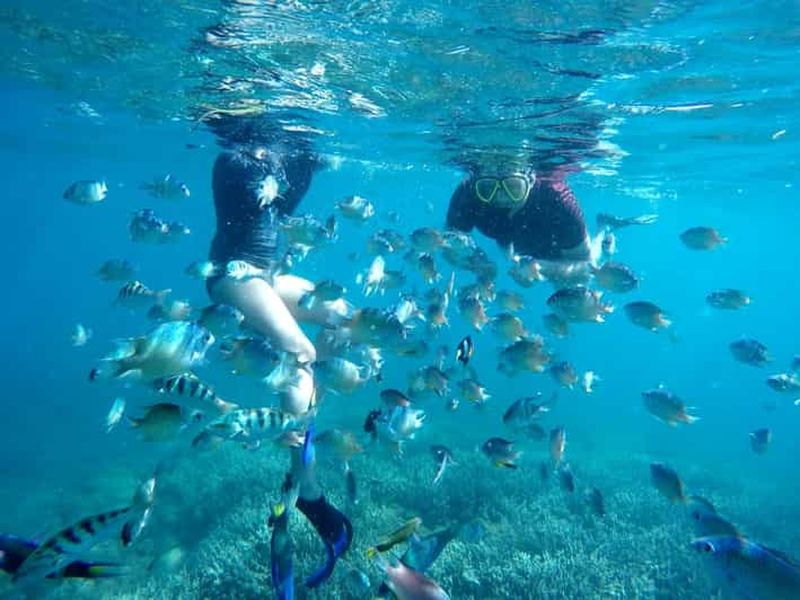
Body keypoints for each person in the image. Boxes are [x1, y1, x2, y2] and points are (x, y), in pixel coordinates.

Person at [204, 116, 352, 588]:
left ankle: (308, 413)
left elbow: (284, 206)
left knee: (340, 313)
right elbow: (256, 195)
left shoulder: (294, 155)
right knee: (300, 353)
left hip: (265, 276)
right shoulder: (236, 158)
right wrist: (285, 158)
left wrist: (305, 158)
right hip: (235, 275)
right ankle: (305, 488)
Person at [445, 164, 592, 263]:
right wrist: (475, 265)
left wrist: (540, 270)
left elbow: (584, 262)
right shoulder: (468, 193)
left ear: (531, 181)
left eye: (513, 187)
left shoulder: (556, 199)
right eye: (488, 188)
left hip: (554, 250)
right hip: (511, 244)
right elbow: (448, 246)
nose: (501, 198)